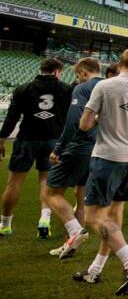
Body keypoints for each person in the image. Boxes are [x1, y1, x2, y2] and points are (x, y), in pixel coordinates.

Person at [73, 48, 128, 293]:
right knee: (114, 212)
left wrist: (105, 118)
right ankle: (95, 270)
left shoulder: (105, 86)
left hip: (108, 156)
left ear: (120, 62)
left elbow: (85, 123)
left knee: (93, 217)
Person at [0, 57, 71, 238]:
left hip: (27, 139)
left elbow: (12, 118)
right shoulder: (65, 89)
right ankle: (44, 220)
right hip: (53, 141)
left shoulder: (23, 88)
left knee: (14, 182)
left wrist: (1, 139)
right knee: (46, 181)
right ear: (57, 71)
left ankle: (5, 224)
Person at [46, 58, 102, 259]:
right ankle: (70, 244)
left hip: (79, 146)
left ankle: (75, 231)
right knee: (81, 197)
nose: (77, 79)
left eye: (78, 75)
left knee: (51, 192)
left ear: (85, 72)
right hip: (98, 149)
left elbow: (73, 122)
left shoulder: (83, 88)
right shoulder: (107, 86)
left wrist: (59, 148)